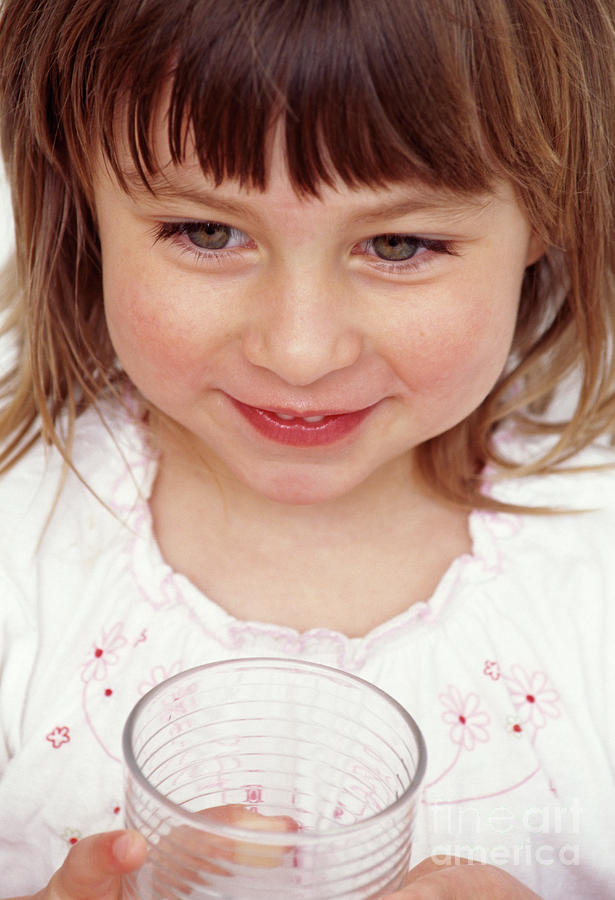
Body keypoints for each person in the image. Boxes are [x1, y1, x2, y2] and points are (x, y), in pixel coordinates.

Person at [0, 0, 614, 896]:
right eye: (208, 233)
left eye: (399, 244)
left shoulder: (593, 553)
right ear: (77, 196)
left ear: (553, 208)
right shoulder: (22, 529)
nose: (297, 351)